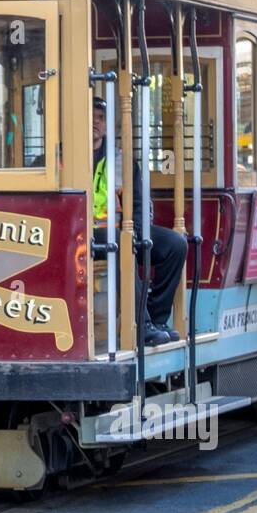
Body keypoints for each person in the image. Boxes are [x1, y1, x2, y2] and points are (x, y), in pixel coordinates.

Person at [92, 97, 187, 348]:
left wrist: (139, 231)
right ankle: (140, 325)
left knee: (175, 244)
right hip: (82, 234)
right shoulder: (63, 158)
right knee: (122, 243)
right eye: (90, 116)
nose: (94, 122)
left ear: (107, 125)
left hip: (117, 231)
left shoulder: (120, 161)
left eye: (100, 118)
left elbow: (138, 203)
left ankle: (156, 319)